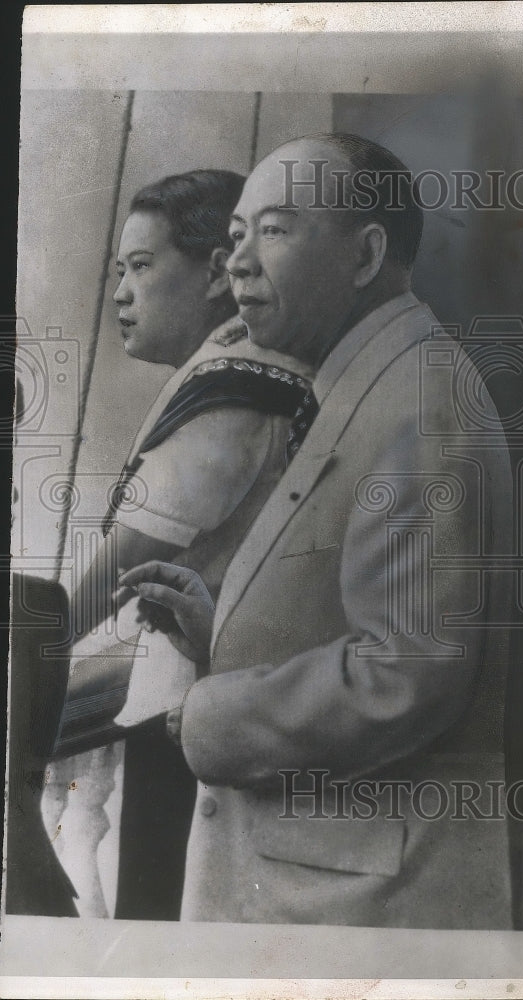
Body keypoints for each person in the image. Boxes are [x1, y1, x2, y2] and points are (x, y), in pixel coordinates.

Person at [121, 133, 515, 929]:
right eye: (236, 235)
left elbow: (405, 672)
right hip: (328, 891)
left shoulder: (418, 402)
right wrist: (222, 632)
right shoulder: (366, 379)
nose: (237, 263)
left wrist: (211, 713)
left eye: (272, 230)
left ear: (364, 254)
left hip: (352, 910)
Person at [60, 169, 315, 920]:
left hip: (204, 729)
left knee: (161, 938)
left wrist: (29, 649)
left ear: (214, 273)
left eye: (141, 267)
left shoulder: (235, 389)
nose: (120, 294)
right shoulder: (238, 370)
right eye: (119, 271)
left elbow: (111, 577)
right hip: (211, 708)